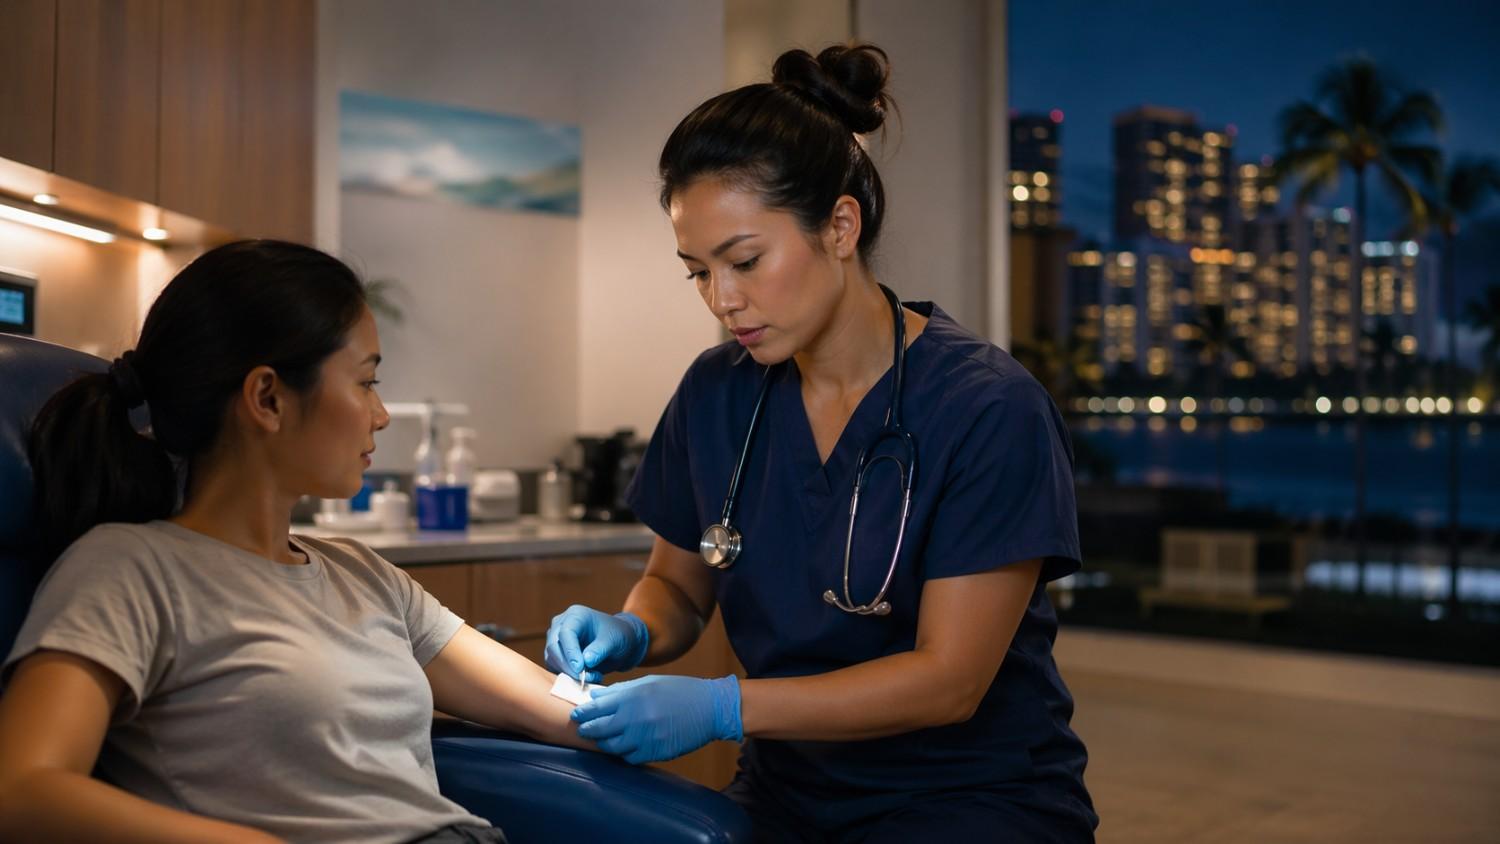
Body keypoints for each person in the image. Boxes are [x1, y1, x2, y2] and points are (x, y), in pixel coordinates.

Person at [546, 45, 1098, 841]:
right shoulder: (717, 391)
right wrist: (630, 629)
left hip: (970, 800)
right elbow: (676, 587)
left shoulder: (989, 407)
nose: (722, 300)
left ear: (841, 226)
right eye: (695, 272)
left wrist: (723, 707)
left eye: (745, 261)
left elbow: (950, 683)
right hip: (786, 795)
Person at [0, 240, 587, 844]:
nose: (380, 415)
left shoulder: (359, 570)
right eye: (365, 383)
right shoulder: (129, 571)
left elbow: (551, 703)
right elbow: (22, 790)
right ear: (268, 399)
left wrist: (665, 705)